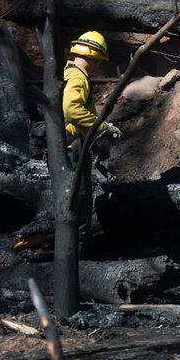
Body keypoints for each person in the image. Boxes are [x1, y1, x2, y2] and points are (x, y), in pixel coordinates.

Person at [64, 31, 121, 244]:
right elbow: (71, 110)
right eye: (97, 61)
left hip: (68, 143)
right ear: (90, 55)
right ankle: (79, 247)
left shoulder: (67, 72)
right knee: (81, 197)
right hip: (73, 146)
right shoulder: (78, 76)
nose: (97, 67)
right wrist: (103, 127)